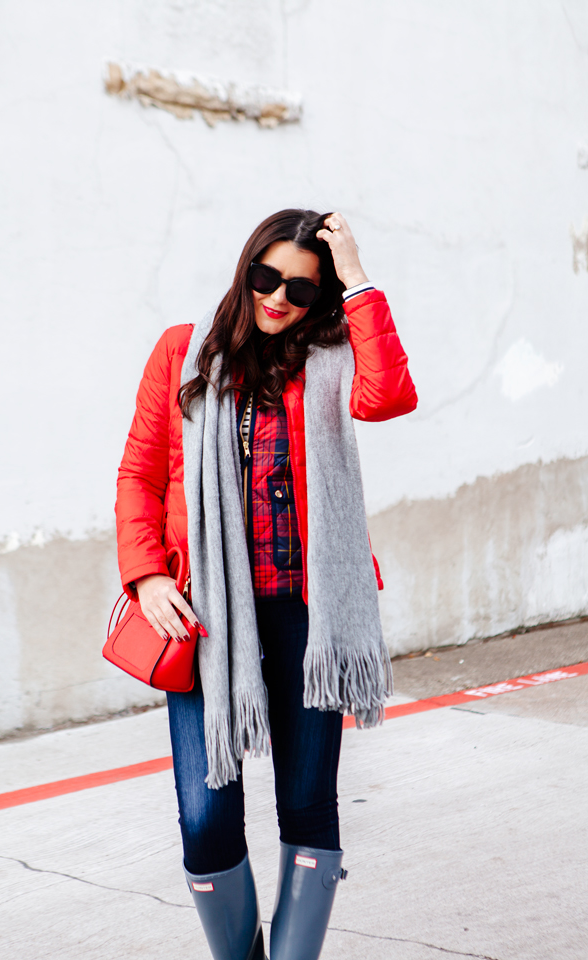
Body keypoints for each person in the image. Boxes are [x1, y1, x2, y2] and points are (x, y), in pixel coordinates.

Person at [115, 209, 417, 960]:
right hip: (208, 618)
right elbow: (138, 473)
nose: (280, 297)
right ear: (245, 270)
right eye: (267, 277)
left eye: (302, 289)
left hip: (309, 619)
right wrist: (146, 573)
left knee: (308, 806)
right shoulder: (183, 354)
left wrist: (356, 277)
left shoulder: (334, 357)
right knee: (205, 820)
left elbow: (390, 396)